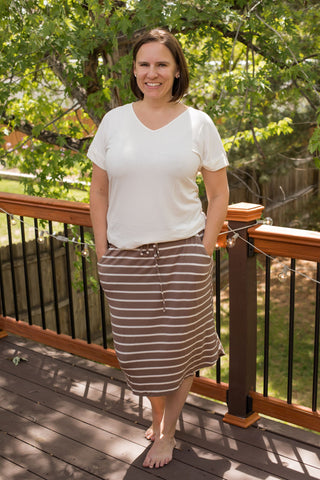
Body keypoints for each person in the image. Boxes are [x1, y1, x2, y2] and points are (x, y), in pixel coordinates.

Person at [88, 28, 229, 469]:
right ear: (134, 70)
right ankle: (158, 417)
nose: (153, 73)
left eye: (162, 64)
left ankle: (165, 431)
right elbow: (98, 192)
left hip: (183, 253)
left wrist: (203, 251)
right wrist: (101, 252)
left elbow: (219, 194)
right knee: (141, 350)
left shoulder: (198, 123)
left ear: (176, 70)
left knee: (179, 349)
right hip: (126, 258)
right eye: (145, 64)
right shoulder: (113, 121)